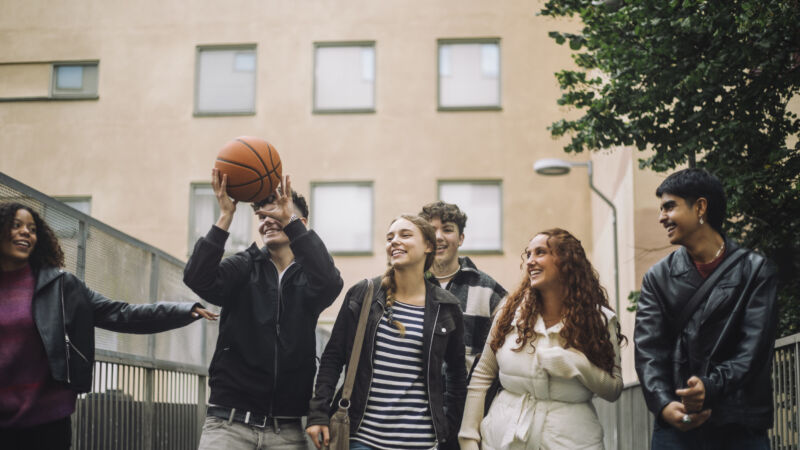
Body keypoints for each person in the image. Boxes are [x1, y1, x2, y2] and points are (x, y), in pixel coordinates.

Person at [0, 202, 217, 450]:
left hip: (47, 419)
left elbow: (121, 313)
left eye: (31, 228)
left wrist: (182, 310)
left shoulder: (60, 287)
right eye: (16, 225)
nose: (26, 232)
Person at [184, 170, 343, 450]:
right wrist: (225, 217)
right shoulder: (245, 265)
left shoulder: (311, 278)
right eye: (263, 215)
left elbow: (331, 283)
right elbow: (197, 278)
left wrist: (290, 221)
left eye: (278, 213)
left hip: (288, 429)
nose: (268, 220)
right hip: (228, 425)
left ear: (299, 222)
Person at [635, 168, 778, 449]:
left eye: (669, 206)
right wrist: (664, 405)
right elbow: (648, 350)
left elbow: (753, 351)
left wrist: (709, 387)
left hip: (739, 423)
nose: (661, 217)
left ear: (700, 207)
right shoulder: (657, 277)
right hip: (677, 426)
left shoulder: (756, 270)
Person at [306, 214, 466, 450]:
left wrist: (449, 428)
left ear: (428, 246)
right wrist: (318, 413)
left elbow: (457, 377)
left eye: (405, 235)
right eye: (390, 237)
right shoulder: (363, 294)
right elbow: (332, 358)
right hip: (362, 439)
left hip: (422, 443)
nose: (394, 241)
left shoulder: (446, 306)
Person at [459, 228, 623, 450]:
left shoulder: (599, 319)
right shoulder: (509, 312)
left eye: (540, 252)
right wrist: (468, 435)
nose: (530, 262)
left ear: (567, 260)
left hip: (571, 441)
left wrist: (578, 365)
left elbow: (613, 389)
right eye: (528, 254)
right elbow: (482, 374)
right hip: (503, 440)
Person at [418, 201, 507, 368]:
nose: (438, 236)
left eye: (447, 229)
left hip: (467, 393)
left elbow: (504, 353)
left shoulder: (488, 290)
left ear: (461, 238)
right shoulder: (409, 285)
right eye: (431, 230)